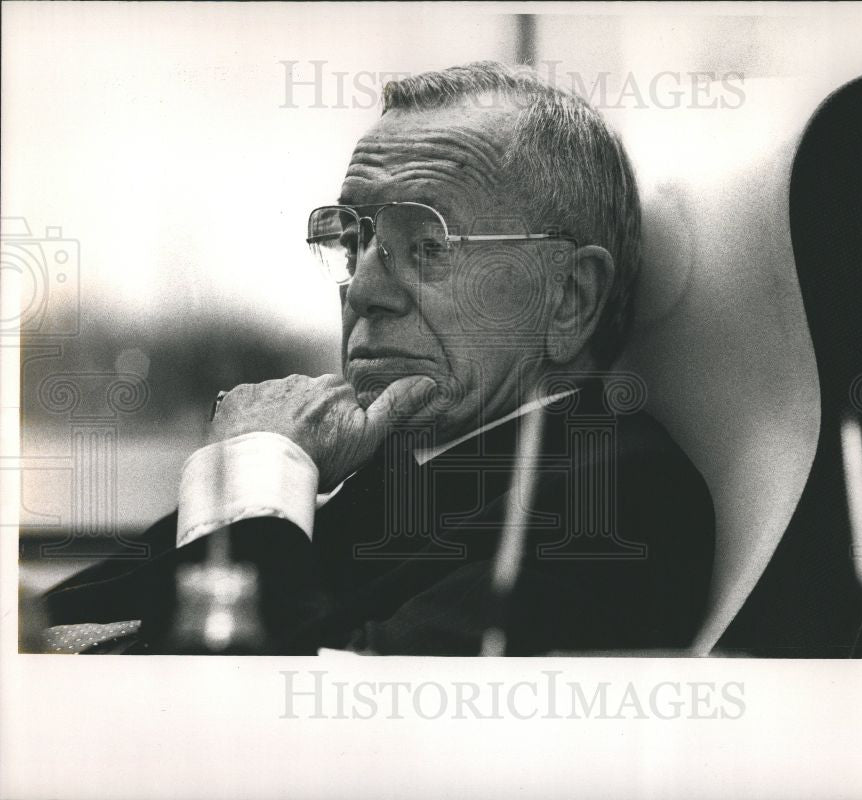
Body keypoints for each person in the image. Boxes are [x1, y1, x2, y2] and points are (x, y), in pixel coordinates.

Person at [43, 61, 715, 655]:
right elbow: (46, 630)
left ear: (568, 298)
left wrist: (252, 471)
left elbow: (302, 733)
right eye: (353, 242)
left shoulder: (621, 498)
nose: (362, 290)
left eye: (427, 246)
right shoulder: (383, 470)